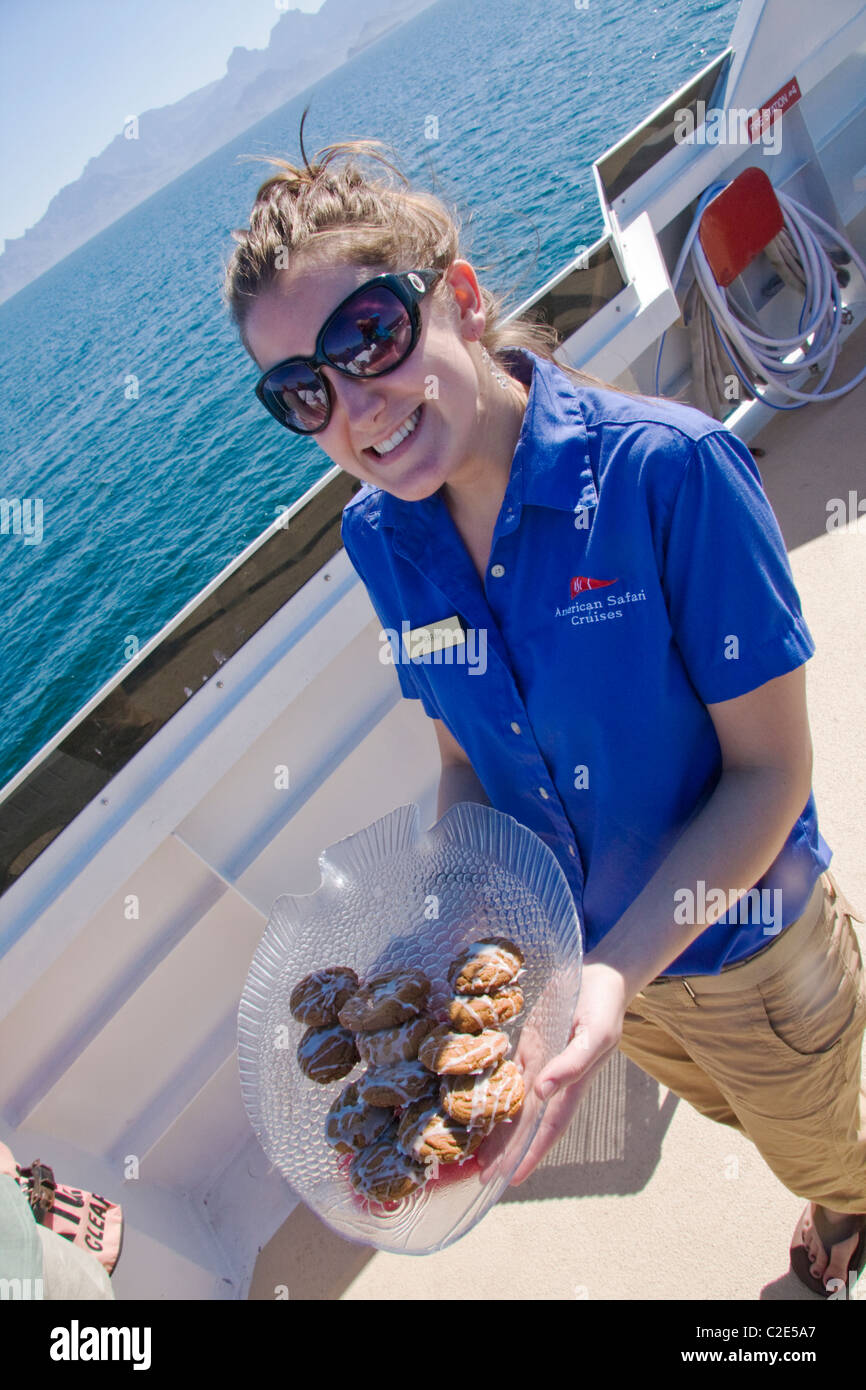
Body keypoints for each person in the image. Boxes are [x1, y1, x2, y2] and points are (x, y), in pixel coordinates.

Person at [222, 122, 866, 1298]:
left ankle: (846, 1204)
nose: (354, 405)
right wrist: (464, 915)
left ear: (459, 301)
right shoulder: (381, 539)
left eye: (367, 333)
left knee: (816, 1129)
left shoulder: (665, 474)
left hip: (745, 944)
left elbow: (769, 775)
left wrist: (614, 971)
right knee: (727, 1113)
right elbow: (464, 760)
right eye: (301, 390)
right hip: (585, 974)